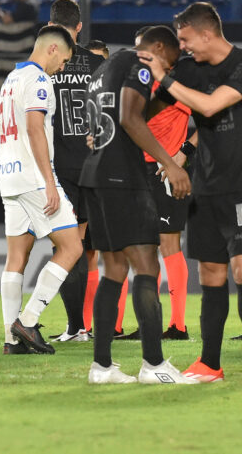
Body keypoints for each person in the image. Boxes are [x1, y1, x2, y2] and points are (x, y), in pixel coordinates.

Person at [136, 2, 242, 382]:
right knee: (211, 273)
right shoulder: (188, 72)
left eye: (184, 39)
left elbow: (211, 106)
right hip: (204, 185)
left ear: (206, 33)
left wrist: (165, 78)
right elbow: (147, 109)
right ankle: (210, 363)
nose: (182, 47)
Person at [82, 26, 195, 384]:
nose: (167, 69)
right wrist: (171, 163)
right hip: (123, 177)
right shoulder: (141, 63)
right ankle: (154, 365)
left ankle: (101, 367)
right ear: (158, 48)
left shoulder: (104, 69)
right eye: (170, 61)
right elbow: (130, 118)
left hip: (95, 176)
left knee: (113, 269)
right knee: (146, 267)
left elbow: (107, 122)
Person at [0, 26, 84, 355]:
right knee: (72, 246)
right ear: (51, 49)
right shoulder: (38, 80)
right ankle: (28, 320)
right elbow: (35, 128)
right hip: (34, 177)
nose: (61, 68)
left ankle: (10, 339)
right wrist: (49, 181)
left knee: (16, 257)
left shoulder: (10, 80)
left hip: (9, 176)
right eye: (62, 60)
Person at [37, 0, 105, 344]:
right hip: (96, 168)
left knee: (66, 247)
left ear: (51, 24)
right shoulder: (98, 64)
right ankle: (99, 326)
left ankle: (76, 326)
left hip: (59, 169)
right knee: (95, 248)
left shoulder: (43, 64)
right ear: (79, 28)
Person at [135, 25, 194, 341]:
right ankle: (144, 323)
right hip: (136, 170)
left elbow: (208, 119)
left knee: (170, 245)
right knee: (139, 247)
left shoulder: (176, 83)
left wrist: (183, 153)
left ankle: (178, 325)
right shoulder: (142, 81)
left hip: (165, 171)